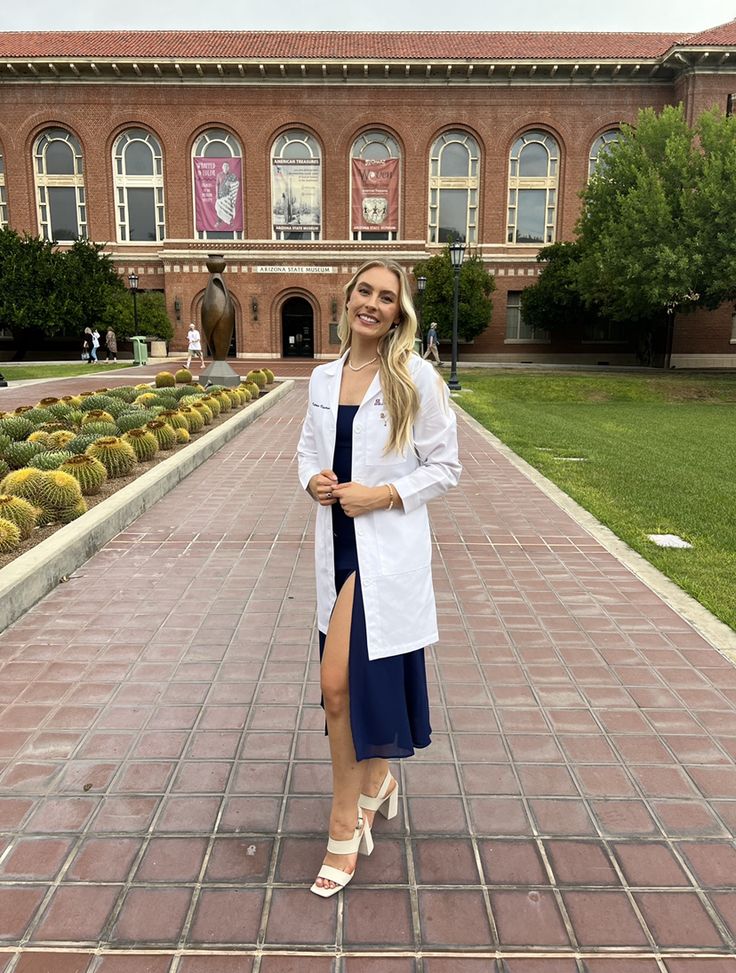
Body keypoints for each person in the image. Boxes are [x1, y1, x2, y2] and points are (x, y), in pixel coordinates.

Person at [297, 259, 461, 897]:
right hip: (334, 546)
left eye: (386, 297)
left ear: (399, 312)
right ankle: (377, 784)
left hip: (381, 552)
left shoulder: (414, 378)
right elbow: (309, 449)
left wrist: (384, 494)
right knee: (348, 686)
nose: (372, 303)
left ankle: (345, 824)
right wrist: (311, 479)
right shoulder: (321, 376)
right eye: (365, 291)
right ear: (350, 298)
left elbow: (445, 468)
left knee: (336, 686)